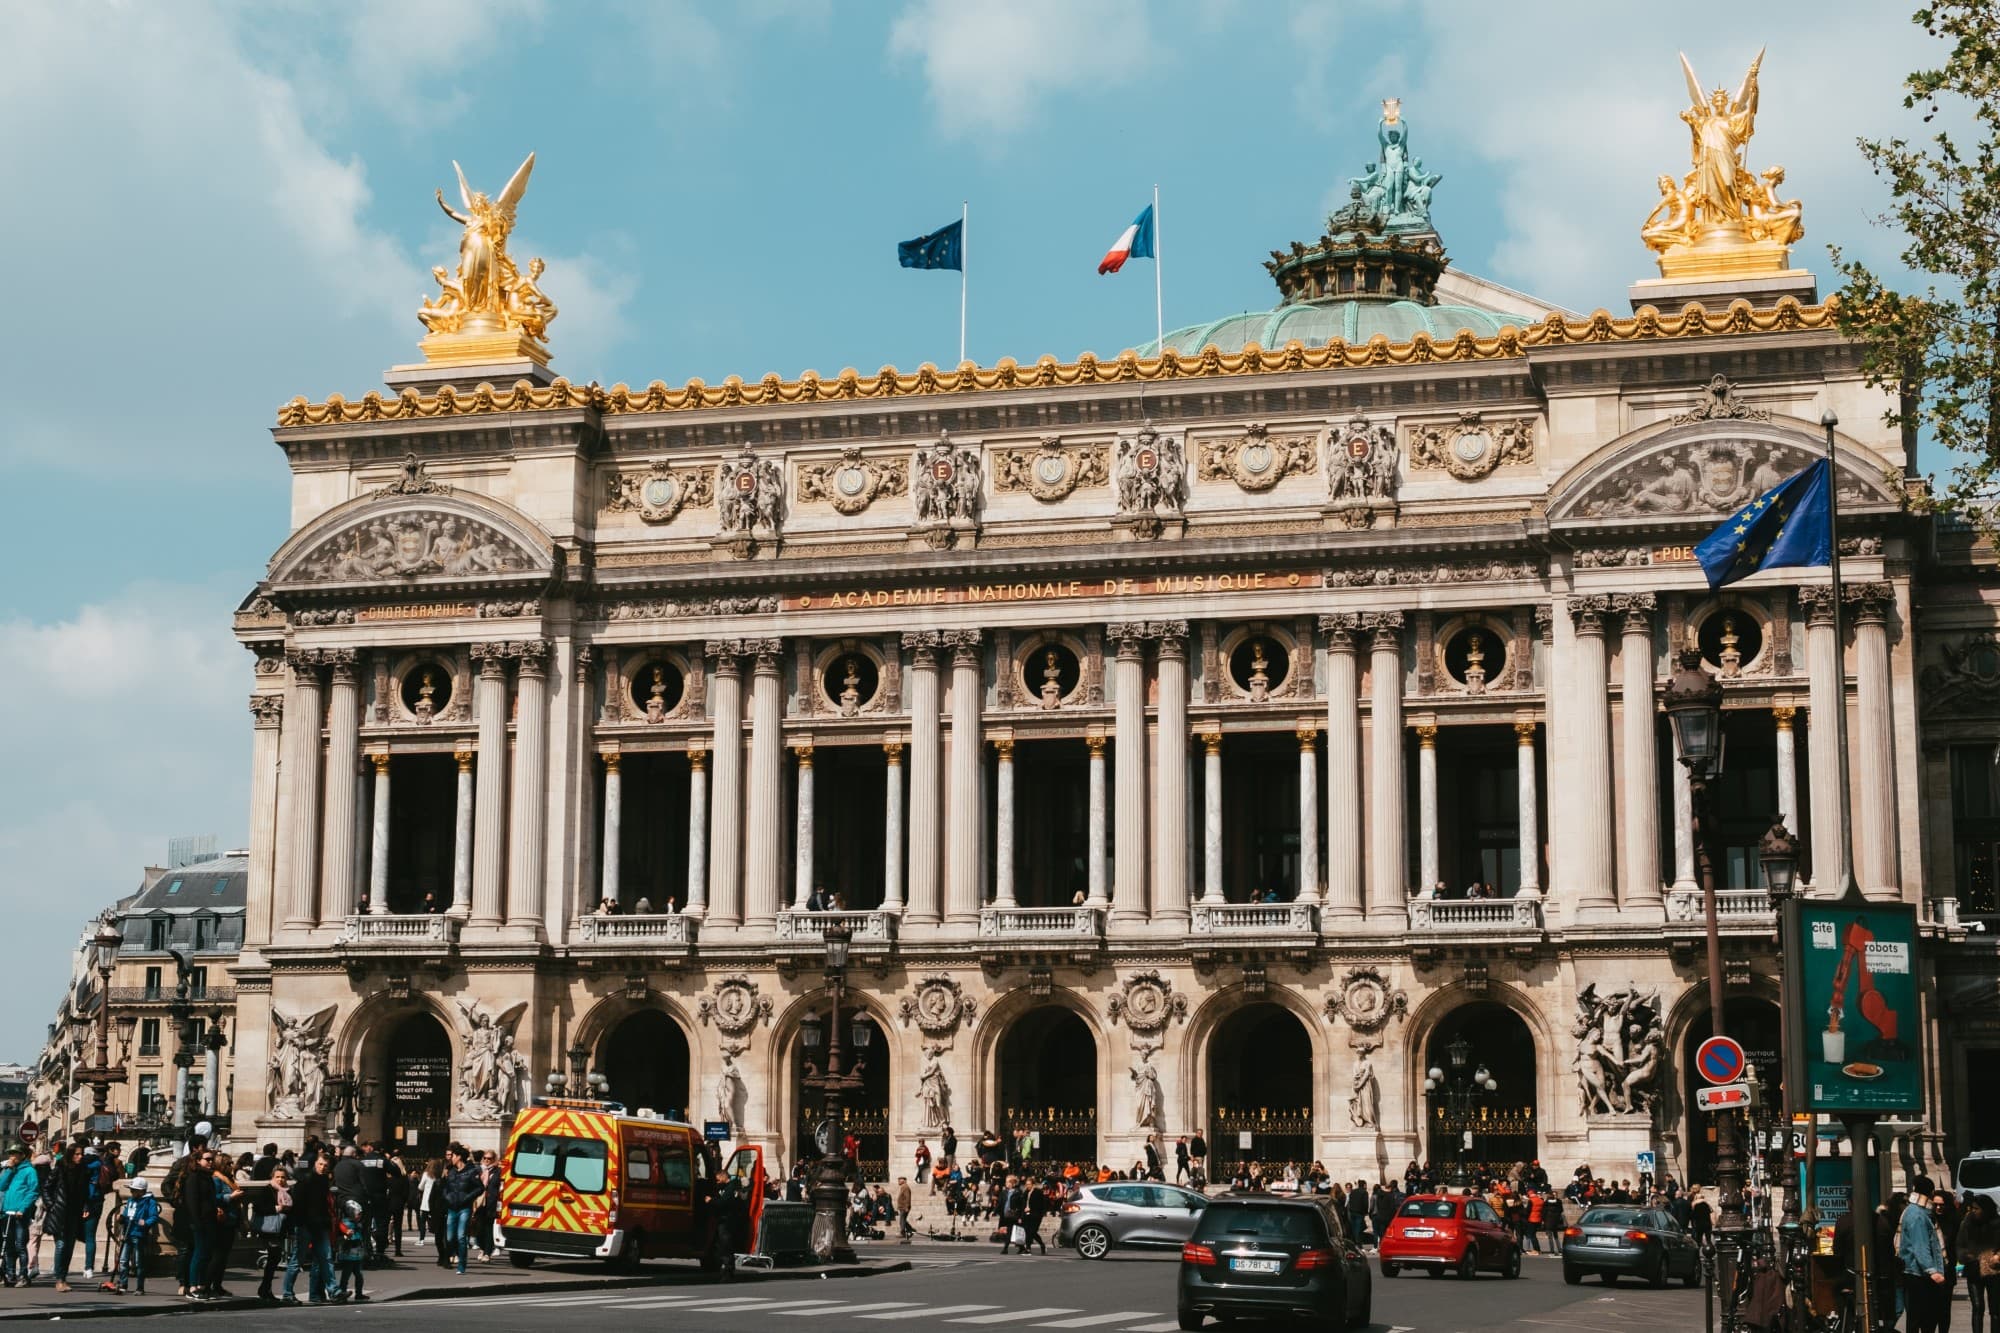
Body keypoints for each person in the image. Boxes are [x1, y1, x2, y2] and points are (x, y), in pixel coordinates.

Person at [283, 1151, 335, 1305]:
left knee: (326, 1258)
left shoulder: (323, 1180)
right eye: (320, 1164)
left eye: (326, 1166)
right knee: (297, 1260)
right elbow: (298, 1204)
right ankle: (287, 1293)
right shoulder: (307, 1180)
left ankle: (333, 1290)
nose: (323, 1167)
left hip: (318, 1224)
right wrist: (300, 1223)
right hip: (306, 1224)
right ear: (315, 1164)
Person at [1899, 1187, 1950, 1333]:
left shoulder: (1912, 1211)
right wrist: (1933, 1271)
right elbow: (1920, 1246)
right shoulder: (1919, 1215)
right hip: (1918, 1273)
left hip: (1915, 1271)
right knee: (1924, 1318)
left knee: (1917, 1317)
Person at [46, 1141, 89, 1292]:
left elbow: (84, 1193)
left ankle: (63, 1278)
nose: (80, 1156)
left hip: (74, 1213)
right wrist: (52, 1205)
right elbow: (47, 1188)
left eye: (81, 1154)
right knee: (61, 1245)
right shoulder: (60, 1168)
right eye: (77, 1154)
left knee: (70, 1246)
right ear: (70, 1155)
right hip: (59, 1212)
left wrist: (85, 1206)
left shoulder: (83, 1170)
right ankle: (59, 1279)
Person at [106, 1178, 159, 1295]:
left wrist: (146, 1222)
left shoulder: (150, 1202)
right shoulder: (131, 1201)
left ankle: (140, 1287)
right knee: (123, 1260)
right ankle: (123, 1284)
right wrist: (121, 1218)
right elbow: (126, 1215)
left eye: (134, 1190)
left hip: (139, 1234)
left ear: (142, 1191)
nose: (131, 1192)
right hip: (128, 1233)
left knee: (140, 1261)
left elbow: (154, 1217)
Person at [1958, 1193, 2000, 1333]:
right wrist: (1967, 1256)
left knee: (1995, 1309)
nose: (1973, 1211)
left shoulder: (1997, 1223)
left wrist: (1998, 1256)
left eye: (1976, 1208)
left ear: (1985, 1209)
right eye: (1972, 1208)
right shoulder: (1967, 1223)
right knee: (1977, 1307)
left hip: (1994, 1270)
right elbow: (1960, 1245)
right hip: (1974, 1269)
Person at [437, 1146, 481, 1275]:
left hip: (464, 1208)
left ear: (459, 1157)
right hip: (452, 1207)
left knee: (461, 1236)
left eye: (453, 1156)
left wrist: (467, 1198)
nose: (451, 1159)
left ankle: (462, 1265)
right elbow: (443, 1187)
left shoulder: (471, 1171)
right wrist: (447, 1196)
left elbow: (480, 1188)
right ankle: (450, 1257)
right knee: (450, 1238)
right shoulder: (451, 1171)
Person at [254, 1165, 293, 1302]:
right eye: (278, 1177)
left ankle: (265, 1288)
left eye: (283, 1177)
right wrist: (277, 1208)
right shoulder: (267, 1190)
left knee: (274, 1259)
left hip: (280, 1229)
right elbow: (258, 1207)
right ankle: (265, 1289)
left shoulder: (287, 1191)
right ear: (272, 1177)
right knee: (274, 1258)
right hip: (269, 1229)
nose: (281, 1180)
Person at [1, 1146, 38, 1287]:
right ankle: (11, 1275)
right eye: (10, 1154)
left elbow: (33, 1191)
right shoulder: (12, 1170)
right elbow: (1, 1186)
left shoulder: (29, 1171)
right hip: (8, 1212)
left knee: (20, 1245)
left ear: (22, 1155)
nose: (12, 1157)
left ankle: (24, 1275)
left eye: (14, 1154)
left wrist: (23, 1208)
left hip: (20, 1214)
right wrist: (9, 1170)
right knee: (9, 1246)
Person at [333, 1198, 370, 1302]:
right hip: (348, 1254)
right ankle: (343, 1292)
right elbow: (350, 1239)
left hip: (356, 1254)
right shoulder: (346, 1224)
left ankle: (359, 1293)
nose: (360, 1216)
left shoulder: (356, 1224)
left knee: (359, 1275)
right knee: (346, 1275)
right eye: (358, 1214)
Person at [894, 1177, 914, 1241]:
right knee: (903, 1220)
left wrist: (907, 1206)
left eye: (899, 1180)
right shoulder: (903, 1187)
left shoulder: (905, 1187)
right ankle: (910, 1229)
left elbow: (907, 1197)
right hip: (902, 1207)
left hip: (904, 1207)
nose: (898, 1181)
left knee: (902, 1220)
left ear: (903, 1181)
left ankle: (902, 1233)